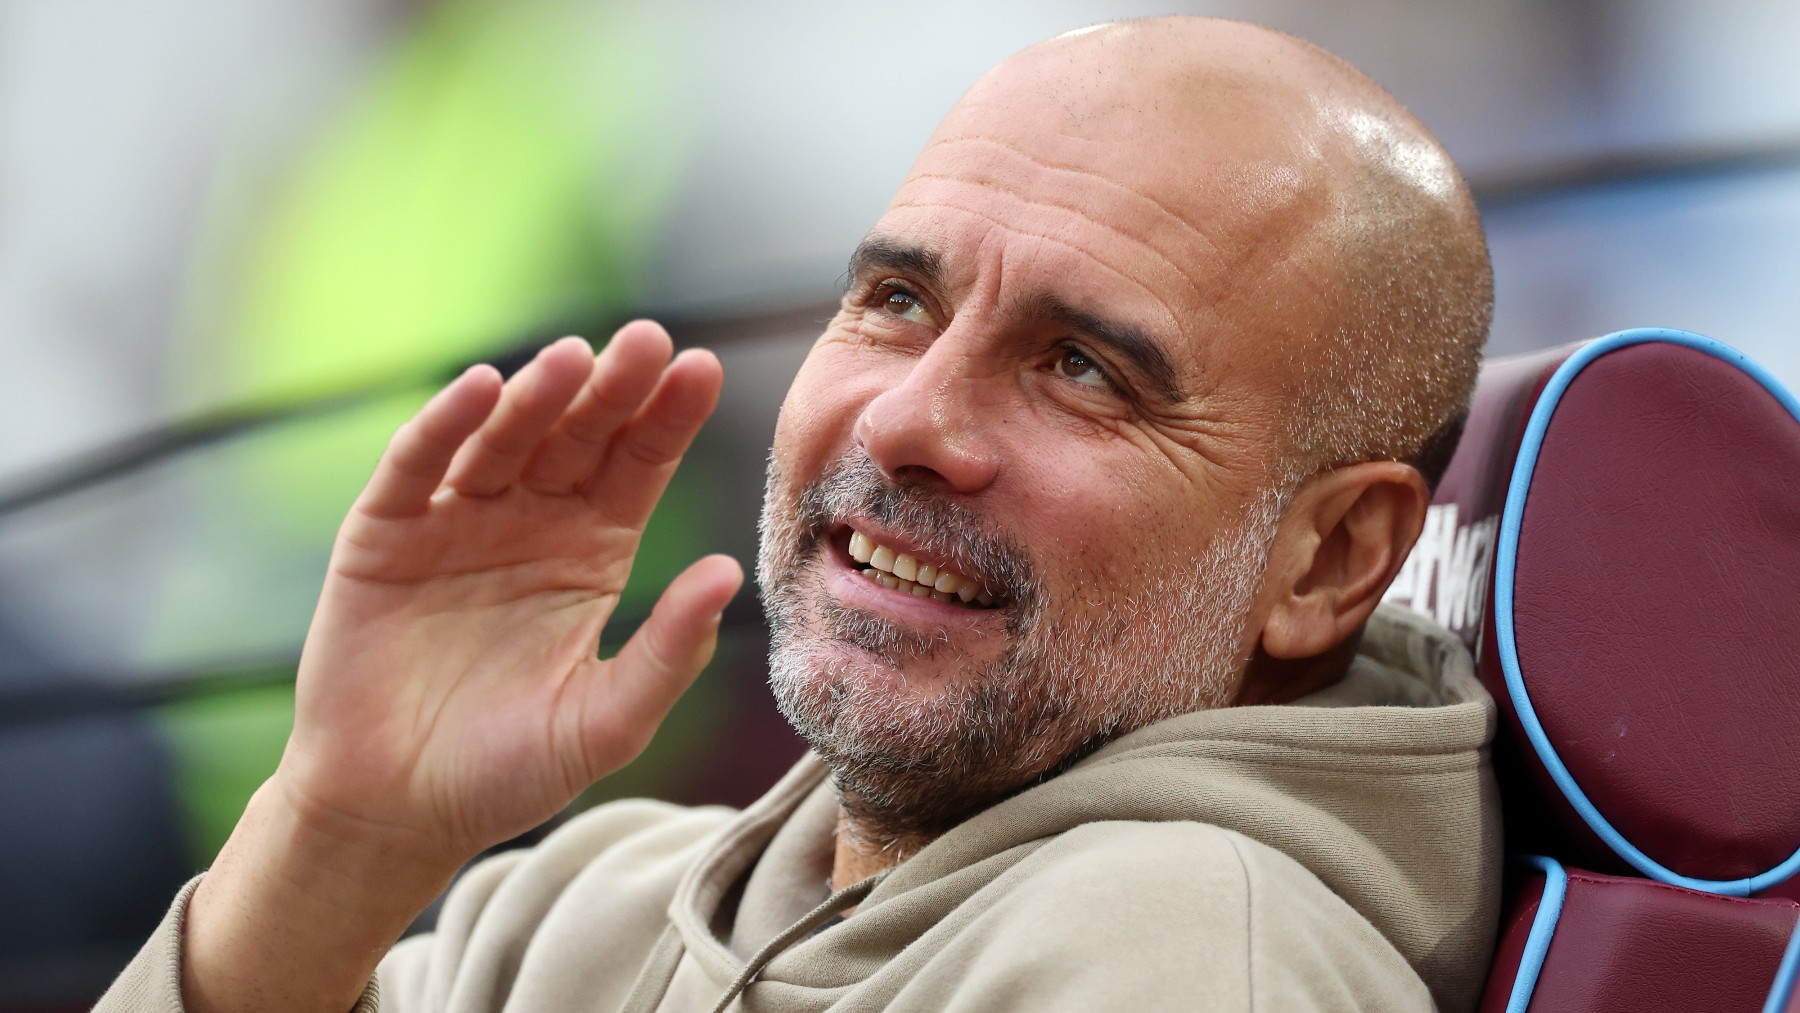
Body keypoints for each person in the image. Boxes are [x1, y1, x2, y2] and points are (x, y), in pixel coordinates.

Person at [100, 15, 1499, 1013]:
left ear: (1328, 560)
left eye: (1083, 368)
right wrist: (338, 835)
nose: (904, 421)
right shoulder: (590, 899)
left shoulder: (1182, 951)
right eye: (898, 301)